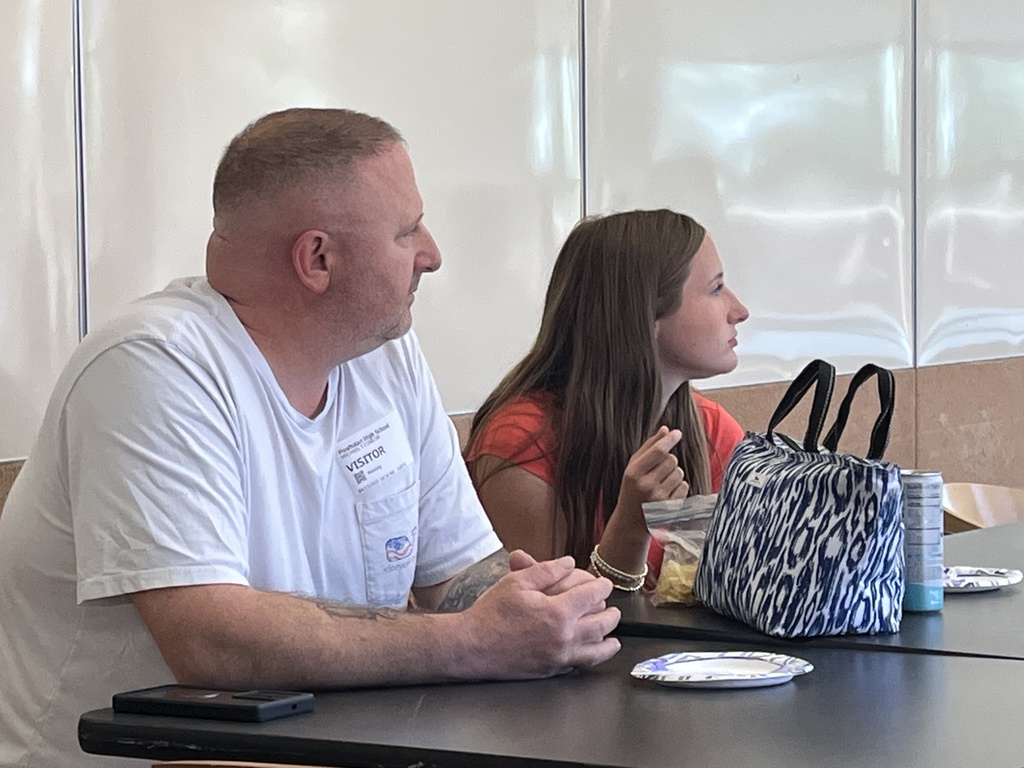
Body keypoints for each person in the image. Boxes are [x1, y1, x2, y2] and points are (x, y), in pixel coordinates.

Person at [0, 108, 620, 767]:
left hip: (336, 748)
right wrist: (474, 640)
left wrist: (541, 606)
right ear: (317, 258)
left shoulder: (386, 356)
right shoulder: (151, 366)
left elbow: (460, 574)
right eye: (407, 232)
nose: (431, 255)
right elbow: (210, 643)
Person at [464, 209, 749, 591]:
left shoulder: (711, 429)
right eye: (715, 289)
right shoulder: (521, 445)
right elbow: (546, 634)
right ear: (646, 316)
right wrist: (630, 528)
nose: (739, 311)